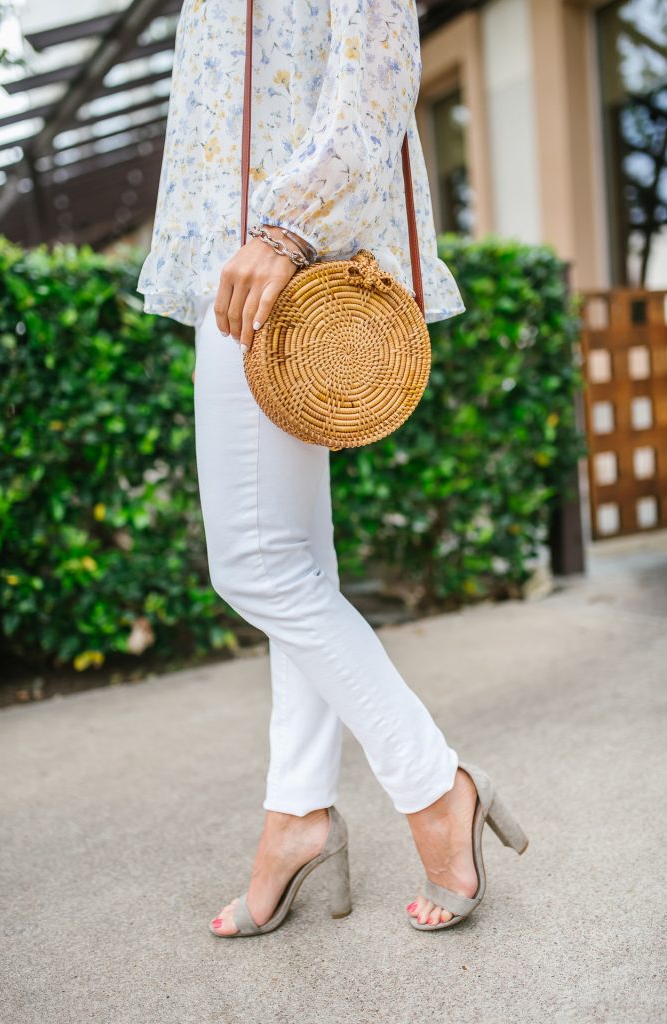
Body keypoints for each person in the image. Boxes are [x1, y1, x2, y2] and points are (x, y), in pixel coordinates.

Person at [138, 0, 527, 937]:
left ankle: (437, 789)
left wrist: (283, 228)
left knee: (257, 566)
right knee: (294, 562)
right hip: (241, 262)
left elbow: (378, 77)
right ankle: (296, 818)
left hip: (274, 264)